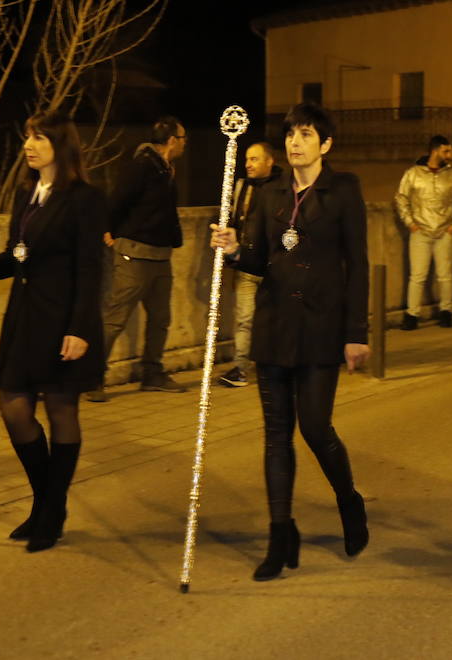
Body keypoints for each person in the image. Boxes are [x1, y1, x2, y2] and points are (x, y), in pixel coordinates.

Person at [209, 103, 370, 581]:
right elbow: (259, 261)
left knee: (316, 429)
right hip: (275, 327)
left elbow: (358, 264)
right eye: (290, 135)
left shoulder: (343, 190)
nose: (296, 142)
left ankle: (349, 500)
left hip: (322, 328)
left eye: (306, 134)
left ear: (325, 144)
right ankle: (281, 534)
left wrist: (356, 334)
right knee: (276, 435)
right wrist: (236, 249)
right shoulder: (269, 193)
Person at [0, 110, 108, 552]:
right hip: (26, 319)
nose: (28, 145)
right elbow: (17, 257)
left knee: (61, 412)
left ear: (60, 145)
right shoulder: (27, 193)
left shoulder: (85, 198)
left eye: (38, 137)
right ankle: (47, 502)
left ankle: (50, 512)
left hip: (64, 321)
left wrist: (80, 328)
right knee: (14, 408)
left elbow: (91, 269)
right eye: (27, 136)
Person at [85, 116, 187, 403]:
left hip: (160, 256)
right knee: (115, 319)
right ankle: (93, 377)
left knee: (160, 319)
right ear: (171, 141)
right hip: (135, 255)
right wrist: (108, 231)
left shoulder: (165, 168)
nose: (184, 144)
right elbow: (117, 200)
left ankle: (152, 373)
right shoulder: (142, 166)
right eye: (182, 139)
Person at [220, 141, 284, 387]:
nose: (248, 164)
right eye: (247, 159)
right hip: (246, 264)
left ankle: (276, 365)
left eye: (255, 159)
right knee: (244, 318)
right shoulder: (242, 187)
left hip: (274, 268)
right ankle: (241, 368)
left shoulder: (283, 188)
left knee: (275, 319)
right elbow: (232, 219)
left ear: (270, 161)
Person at [396, 135, 452, 329]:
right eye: (446, 151)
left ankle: (446, 311)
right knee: (417, 276)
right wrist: (410, 223)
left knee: (445, 275)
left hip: (445, 231)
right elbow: (402, 198)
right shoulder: (413, 173)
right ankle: (412, 314)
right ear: (435, 150)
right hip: (420, 231)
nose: (450, 155)